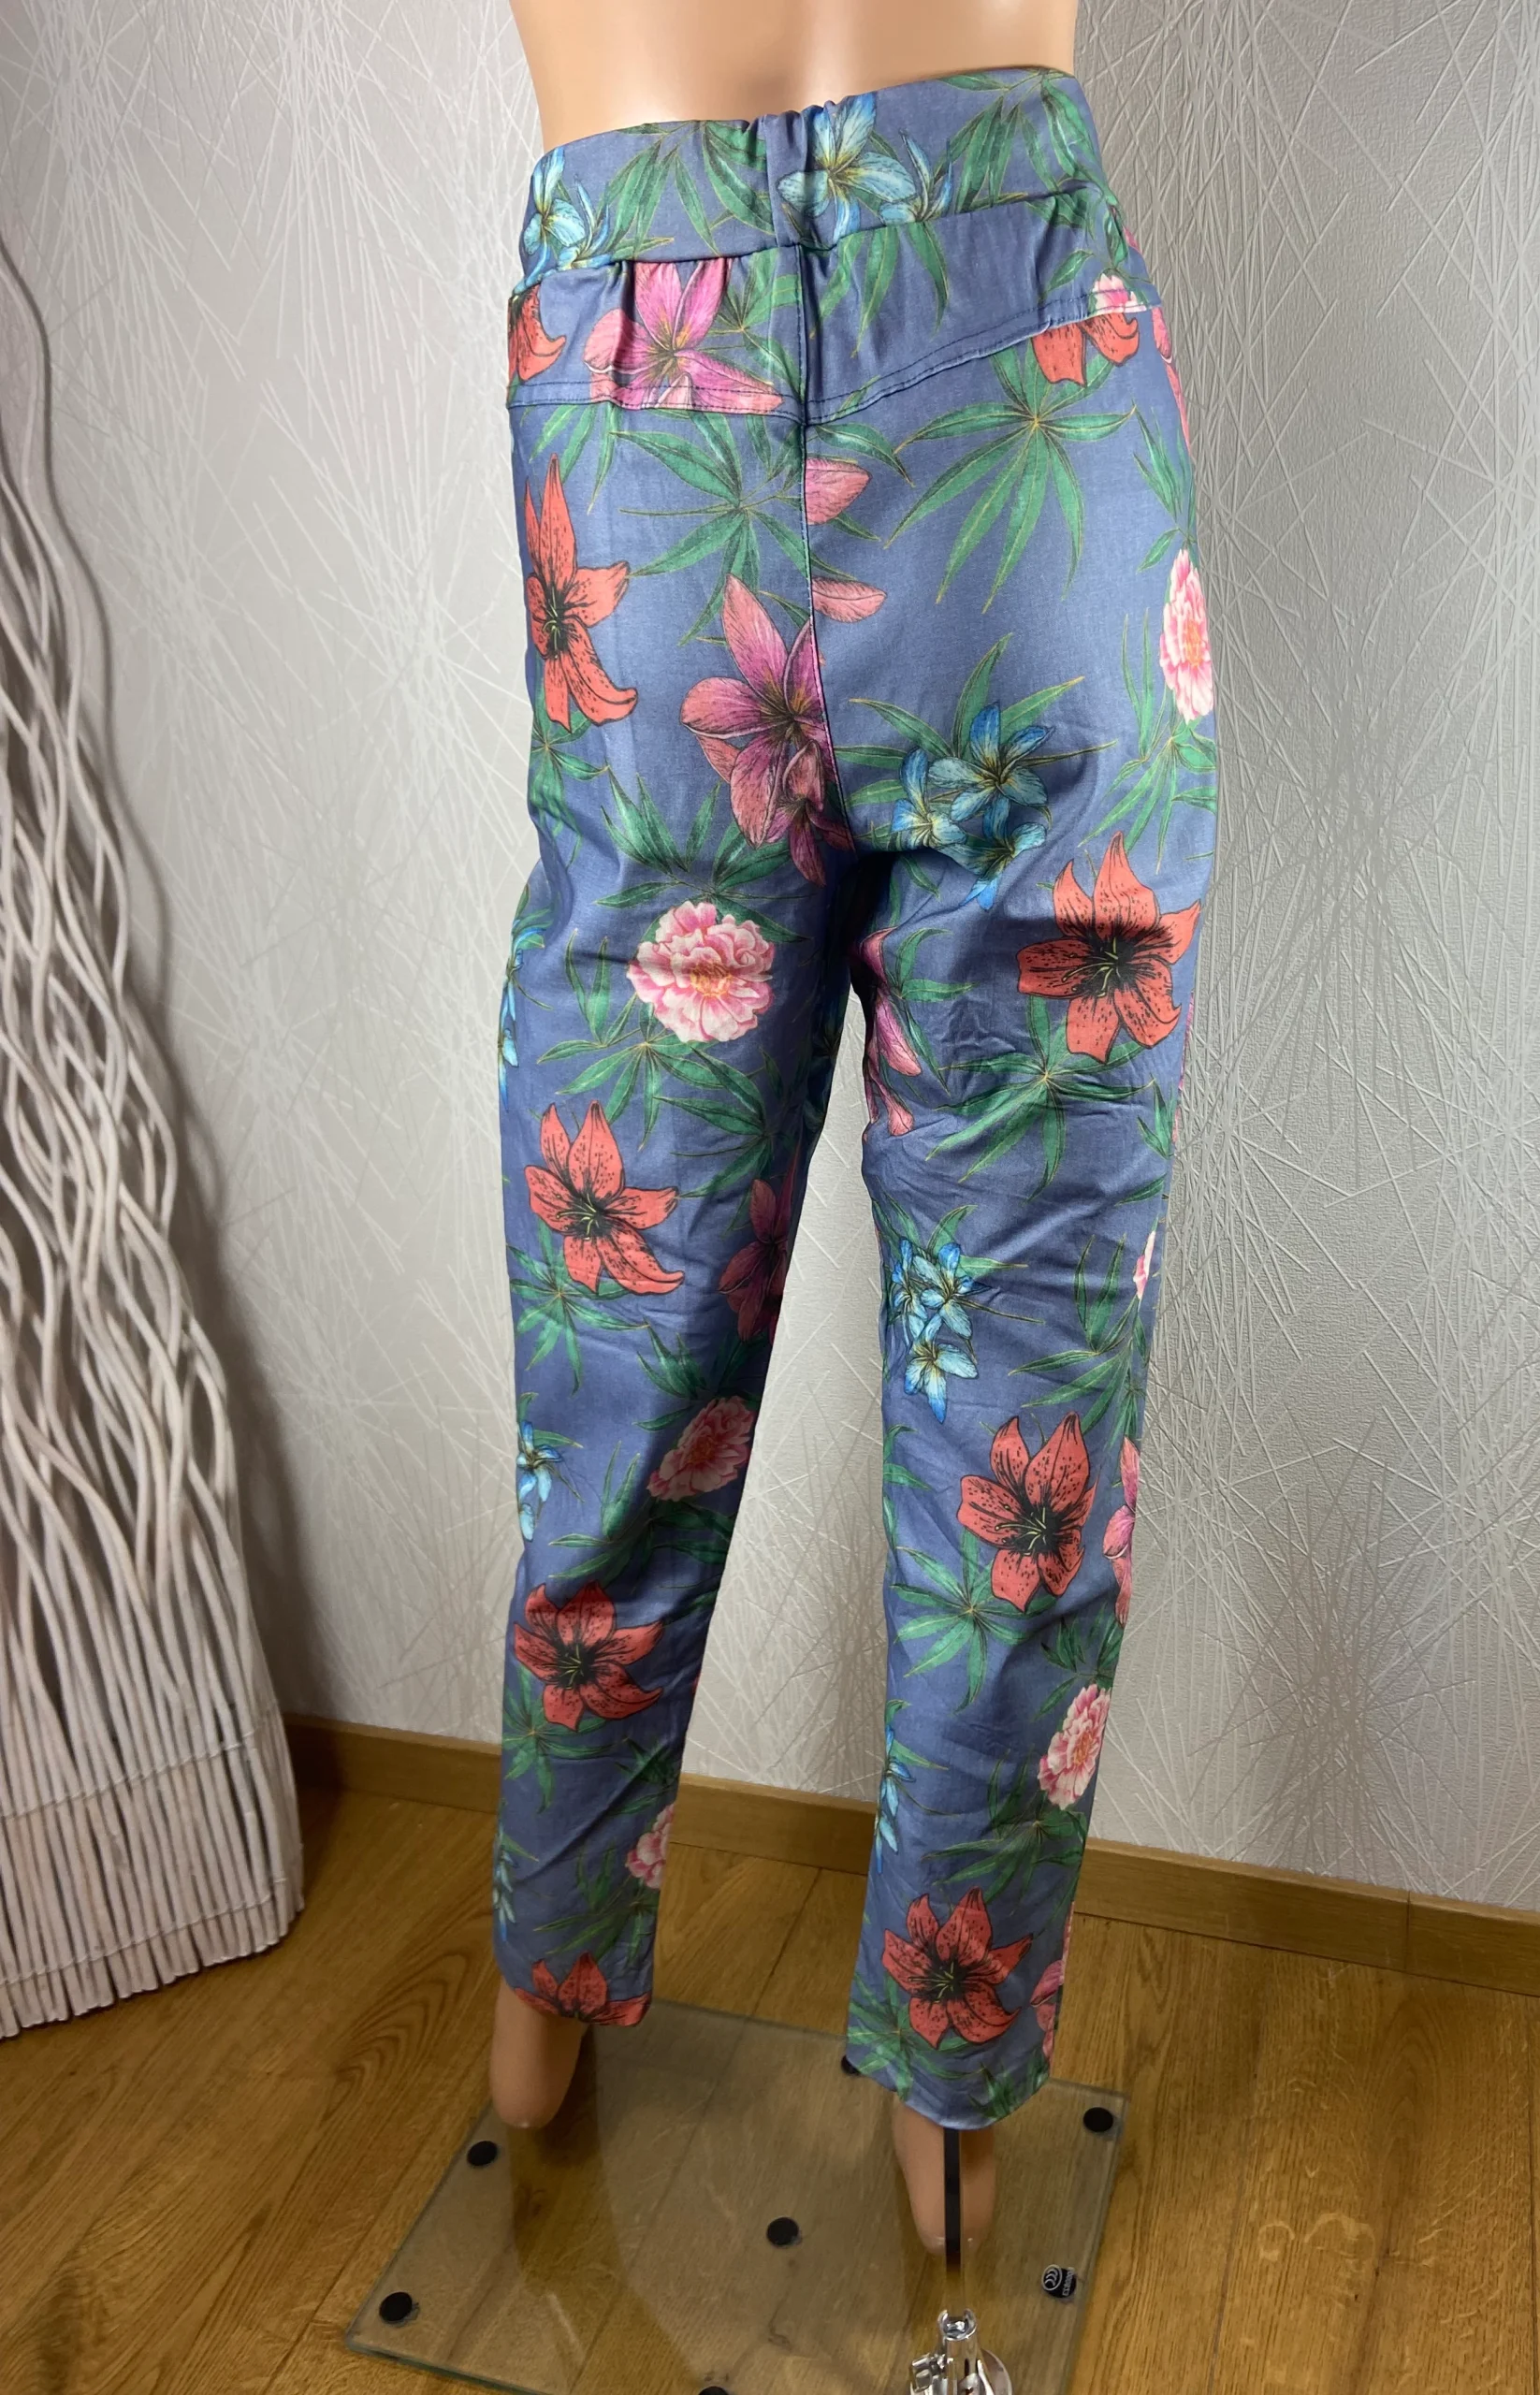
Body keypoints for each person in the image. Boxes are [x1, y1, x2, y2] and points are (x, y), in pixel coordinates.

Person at [485, 0, 1218, 2255]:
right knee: (1027, 1359)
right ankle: (954, 2081)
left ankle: (542, 1978)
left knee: (627, 1316)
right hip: (1025, 372)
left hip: (639, 383)